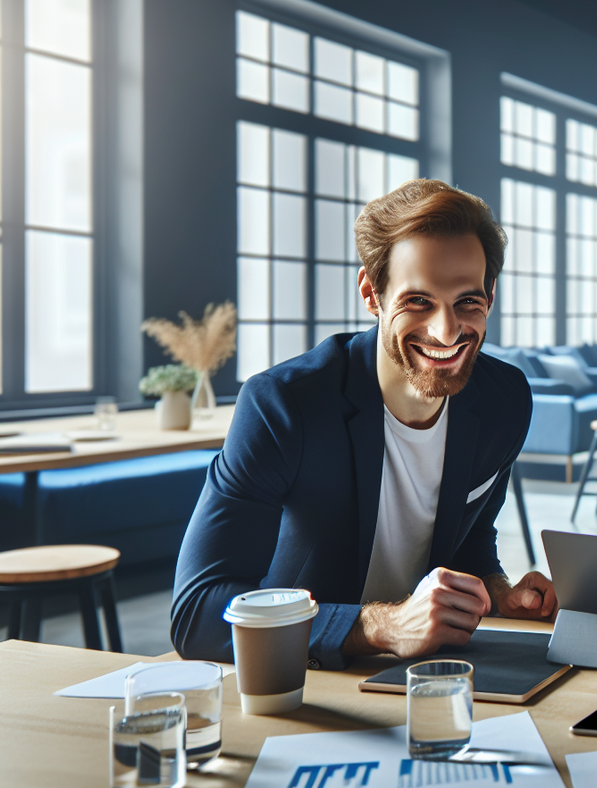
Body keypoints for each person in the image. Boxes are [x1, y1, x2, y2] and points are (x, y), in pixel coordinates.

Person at [171, 180, 557, 668]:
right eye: (418, 301)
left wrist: (499, 594)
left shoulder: (503, 400)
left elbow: (467, 538)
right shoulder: (283, 406)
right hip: (301, 678)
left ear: (490, 297)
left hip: (424, 673)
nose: (447, 331)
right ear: (372, 294)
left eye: (467, 302)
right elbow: (197, 614)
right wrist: (381, 626)